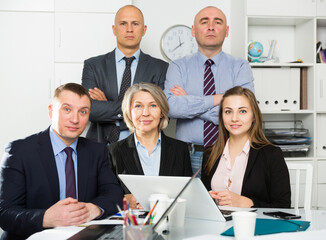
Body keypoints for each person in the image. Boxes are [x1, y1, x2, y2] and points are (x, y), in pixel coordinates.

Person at [0, 83, 124, 240]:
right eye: (67, 109)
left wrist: (94, 209)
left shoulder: (96, 151)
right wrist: (45, 218)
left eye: (83, 112)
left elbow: (114, 193)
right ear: (51, 111)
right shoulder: (20, 151)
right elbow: (5, 213)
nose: (75, 119)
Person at [164, 6, 254, 177]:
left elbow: (244, 112)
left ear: (226, 31)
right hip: (188, 156)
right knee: (189, 204)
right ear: (193, 30)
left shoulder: (240, 66)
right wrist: (216, 99)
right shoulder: (178, 66)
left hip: (230, 152)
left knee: (226, 203)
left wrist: (190, 104)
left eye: (217, 22)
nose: (211, 27)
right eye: (204, 22)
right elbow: (172, 108)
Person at [82, 5, 168, 145]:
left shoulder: (160, 68)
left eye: (135, 23)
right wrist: (140, 109)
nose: (129, 29)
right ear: (114, 29)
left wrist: (107, 105)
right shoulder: (93, 65)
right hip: (100, 145)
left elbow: (162, 113)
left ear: (144, 29)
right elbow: (89, 110)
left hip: (144, 146)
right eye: (123, 24)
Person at [201, 86, 291, 208]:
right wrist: (206, 199)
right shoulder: (209, 153)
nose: (234, 118)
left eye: (242, 111)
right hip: (219, 225)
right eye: (228, 111)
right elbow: (203, 205)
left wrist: (249, 203)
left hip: (255, 225)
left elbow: (284, 206)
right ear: (222, 116)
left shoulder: (271, 154)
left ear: (254, 116)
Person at [108, 83, 192, 208]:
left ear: (162, 112)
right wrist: (124, 200)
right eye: (138, 106)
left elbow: (188, 194)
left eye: (153, 105)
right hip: (132, 224)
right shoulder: (114, 151)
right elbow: (106, 195)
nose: (145, 113)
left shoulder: (180, 149)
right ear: (129, 112)